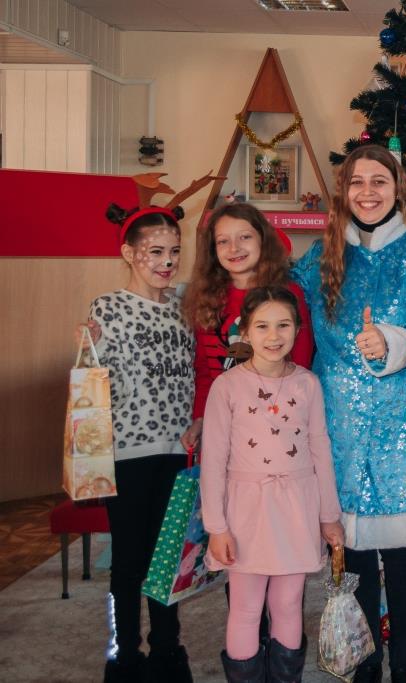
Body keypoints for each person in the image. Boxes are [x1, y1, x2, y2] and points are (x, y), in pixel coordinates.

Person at [291, 144, 406, 683]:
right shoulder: (323, 254)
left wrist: (389, 340)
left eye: (378, 181)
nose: (367, 192)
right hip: (337, 420)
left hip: (405, 418)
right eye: (357, 182)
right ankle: (365, 663)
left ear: (397, 188)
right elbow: (285, 305)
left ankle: (404, 665)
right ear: (344, 191)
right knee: (352, 550)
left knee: (404, 551)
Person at [200, 285, 343, 682]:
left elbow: (320, 450)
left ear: (298, 329)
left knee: (289, 603)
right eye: (262, 326)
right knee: (246, 608)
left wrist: (329, 516)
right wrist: (216, 527)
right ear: (245, 331)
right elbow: (213, 460)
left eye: (284, 325)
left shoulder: (308, 384)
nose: (274, 335)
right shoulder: (227, 387)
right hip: (245, 513)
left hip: (296, 508)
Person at [81, 203, 196, 683]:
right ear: (129, 253)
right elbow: (95, 380)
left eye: (174, 251)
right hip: (128, 454)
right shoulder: (108, 307)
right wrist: (88, 347)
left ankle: (167, 649)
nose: (167, 261)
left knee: (168, 558)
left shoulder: (185, 305)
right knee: (129, 560)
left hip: (177, 452)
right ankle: (125, 654)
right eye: (155, 252)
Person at [181, 202, 313, 450]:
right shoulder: (206, 298)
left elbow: (300, 365)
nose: (234, 248)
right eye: (223, 241)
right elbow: (204, 370)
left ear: (263, 239)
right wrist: (200, 418)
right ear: (213, 250)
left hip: (277, 425)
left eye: (245, 237)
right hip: (223, 424)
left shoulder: (287, 295)